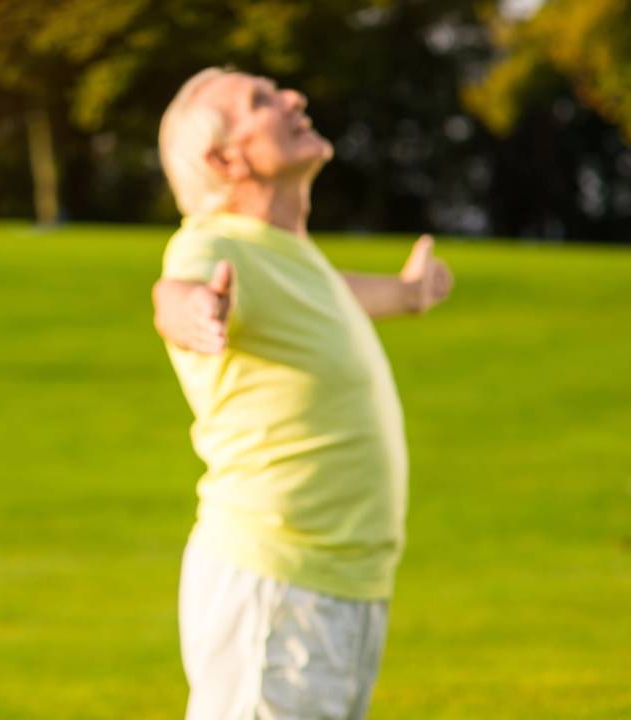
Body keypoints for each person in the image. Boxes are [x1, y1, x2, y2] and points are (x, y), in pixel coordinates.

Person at [153, 68, 452, 719]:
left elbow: (327, 295)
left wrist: (404, 294)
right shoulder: (213, 241)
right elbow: (174, 290)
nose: (294, 99)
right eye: (261, 101)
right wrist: (194, 311)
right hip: (278, 581)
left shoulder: (287, 255)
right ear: (224, 159)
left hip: (341, 581)